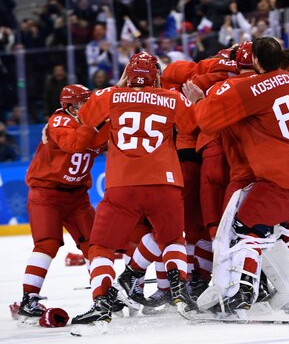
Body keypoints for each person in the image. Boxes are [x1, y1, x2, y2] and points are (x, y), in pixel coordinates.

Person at [183, 36, 289, 314]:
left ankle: (243, 292)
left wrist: (198, 102)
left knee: (244, 229)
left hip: (278, 175)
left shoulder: (248, 87)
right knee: (273, 229)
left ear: (255, 61)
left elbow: (206, 121)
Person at [71, 52, 198, 334]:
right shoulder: (172, 98)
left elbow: (84, 118)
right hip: (164, 180)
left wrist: (119, 87)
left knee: (101, 247)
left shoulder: (110, 94)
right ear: (155, 76)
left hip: (122, 183)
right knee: (172, 237)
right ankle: (179, 285)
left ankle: (102, 302)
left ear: (128, 74)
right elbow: (191, 125)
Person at [16, 85, 108, 324]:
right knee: (47, 244)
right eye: (84, 104)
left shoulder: (92, 123)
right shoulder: (59, 122)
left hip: (77, 196)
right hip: (47, 193)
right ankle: (29, 299)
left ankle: (103, 296)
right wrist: (95, 125)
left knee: (95, 245)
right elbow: (73, 144)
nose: (90, 108)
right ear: (69, 107)